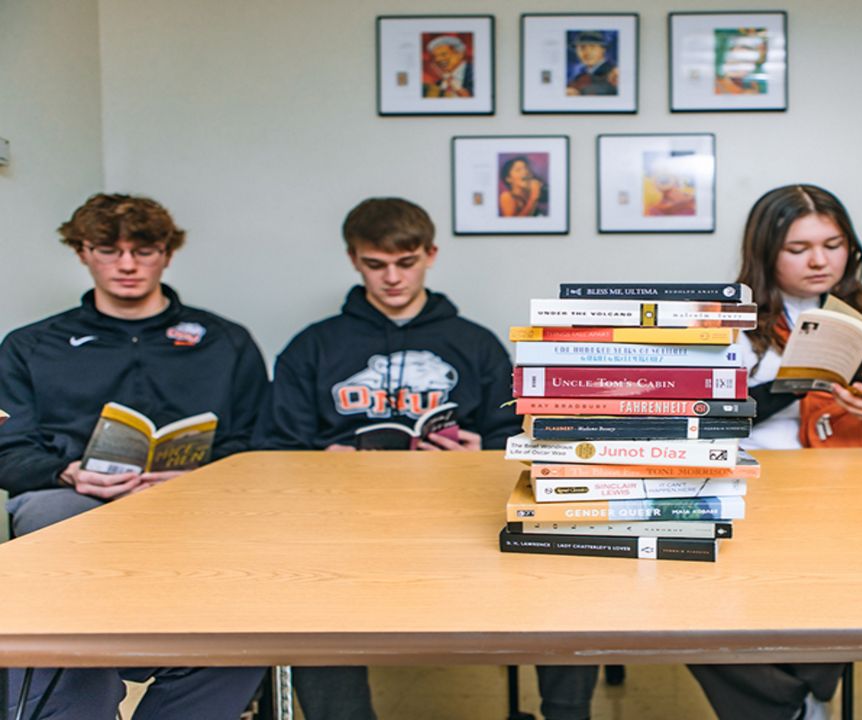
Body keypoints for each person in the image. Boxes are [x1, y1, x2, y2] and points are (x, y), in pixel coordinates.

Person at [256, 197, 594, 720]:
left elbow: (518, 440)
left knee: (566, 548)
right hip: (344, 521)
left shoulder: (475, 344)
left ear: (431, 254)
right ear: (353, 260)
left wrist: (480, 447)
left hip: (457, 510)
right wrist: (326, 457)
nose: (392, 278)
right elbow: (275, 447)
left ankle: (567, 713)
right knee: (305, 591)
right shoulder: (313, 347)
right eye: (375, 265)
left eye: (405, 262)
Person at [0, 193, 268, 717]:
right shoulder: (31, 345)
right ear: (82, 252)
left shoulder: (224, 342)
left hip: (199, 517)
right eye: (108, 249)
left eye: (143, 250)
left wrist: (198, 481)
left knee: (247, 631)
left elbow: (262, 444)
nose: (127, 265)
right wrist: (67, 472)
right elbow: (7, 449)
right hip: (74, 512)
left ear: (167, 253)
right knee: (49, 519)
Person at [689, 184, 862, 720]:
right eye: (798, 249)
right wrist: (795, 383)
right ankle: (791, 703)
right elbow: (692, 422)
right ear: (765, 251)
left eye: (834, 243)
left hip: (853, 496)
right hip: (748, 492)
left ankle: (794, 698)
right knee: (691, 606)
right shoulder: (720, 318)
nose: (821, 261)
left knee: (840, 597)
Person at [566, 30, 618, 96]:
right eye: (582, 47)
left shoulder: (614, 73)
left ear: (603, 49)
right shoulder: (579, 76)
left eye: (592, 47)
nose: (587, 53)